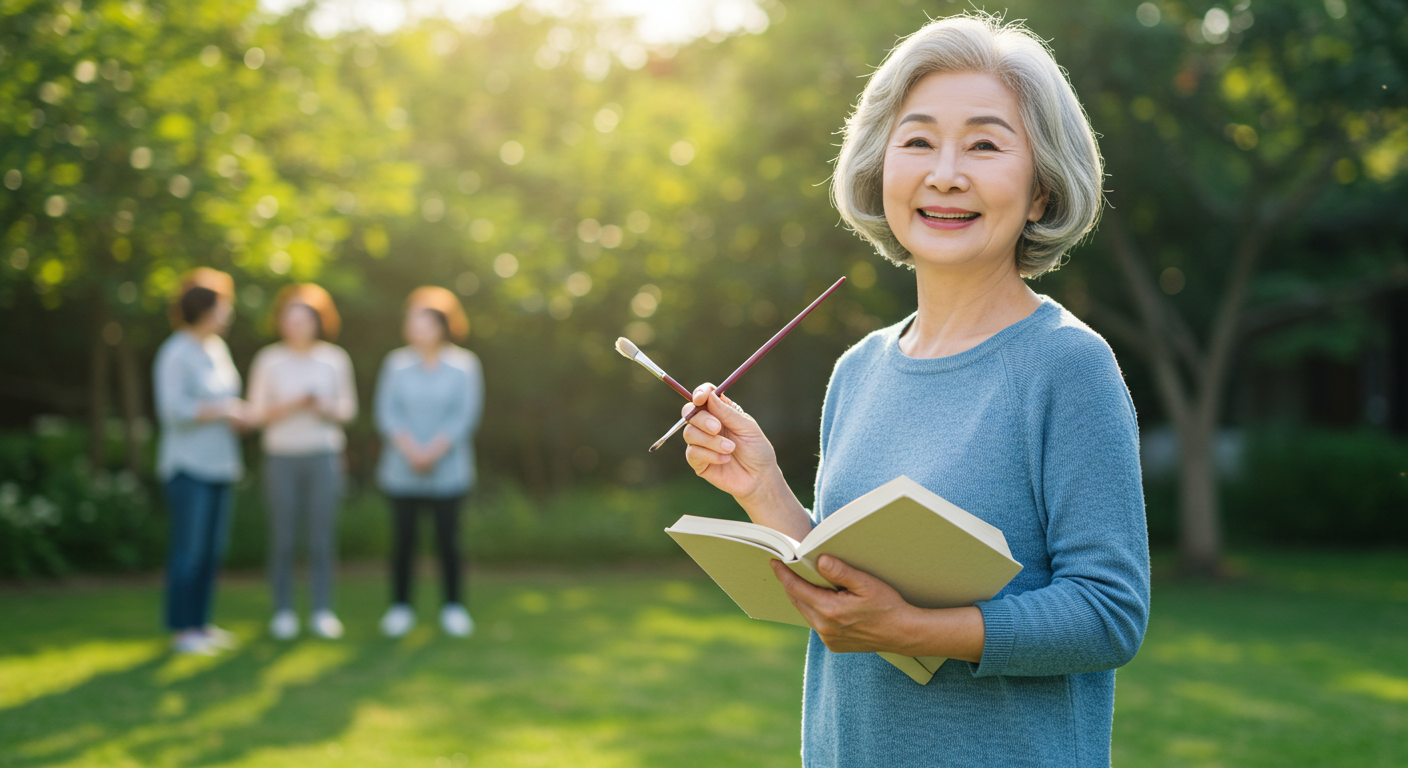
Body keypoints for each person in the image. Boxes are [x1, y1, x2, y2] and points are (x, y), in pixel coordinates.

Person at [677, 14, 1149, 768]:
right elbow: (850, 582)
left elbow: (1110, 614)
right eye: (919, 140)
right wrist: (763, 489)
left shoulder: (1068, 366)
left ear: (1039, 190)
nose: (945, 173)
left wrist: (915, 631)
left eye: (986, 145)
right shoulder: (859, 368)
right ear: (880, 165)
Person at [247, 284, 357, 641]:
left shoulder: (334, 359)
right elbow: (255, 413)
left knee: (321, 538)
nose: (295, 326)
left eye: (303, 320)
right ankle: (283, 611)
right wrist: (294, 403)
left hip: (323, 455)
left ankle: (322, 611)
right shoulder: (268, 360)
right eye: (289, 320)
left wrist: (322, 406)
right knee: (283, 537)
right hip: (281, 456)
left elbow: (347, 410)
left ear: (318, 322)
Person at [374, 287, 484, 638]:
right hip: (401, 469)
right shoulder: (395, 363)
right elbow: (387, 413)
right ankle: (400, 608)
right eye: (413, 322)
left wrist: (433, 450)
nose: (418, 329)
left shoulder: (465, 365)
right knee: (403, 541)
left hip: (448, 470)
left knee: (448, 541)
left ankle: (453, 607)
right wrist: (411, 450)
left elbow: (464, 416)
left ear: (443, 325)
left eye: (425, 323)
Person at [153, 267, 250, 656]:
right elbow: (173, 410)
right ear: (203, 310)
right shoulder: (175, 352)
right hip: (187, 467)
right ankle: (181, 629)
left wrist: (235, 417)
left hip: (221, 464)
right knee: (188, 552)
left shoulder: (217, 349)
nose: (227, 315)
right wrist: (225, 410)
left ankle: (201, 624)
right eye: (222, 308)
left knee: (211, 552)